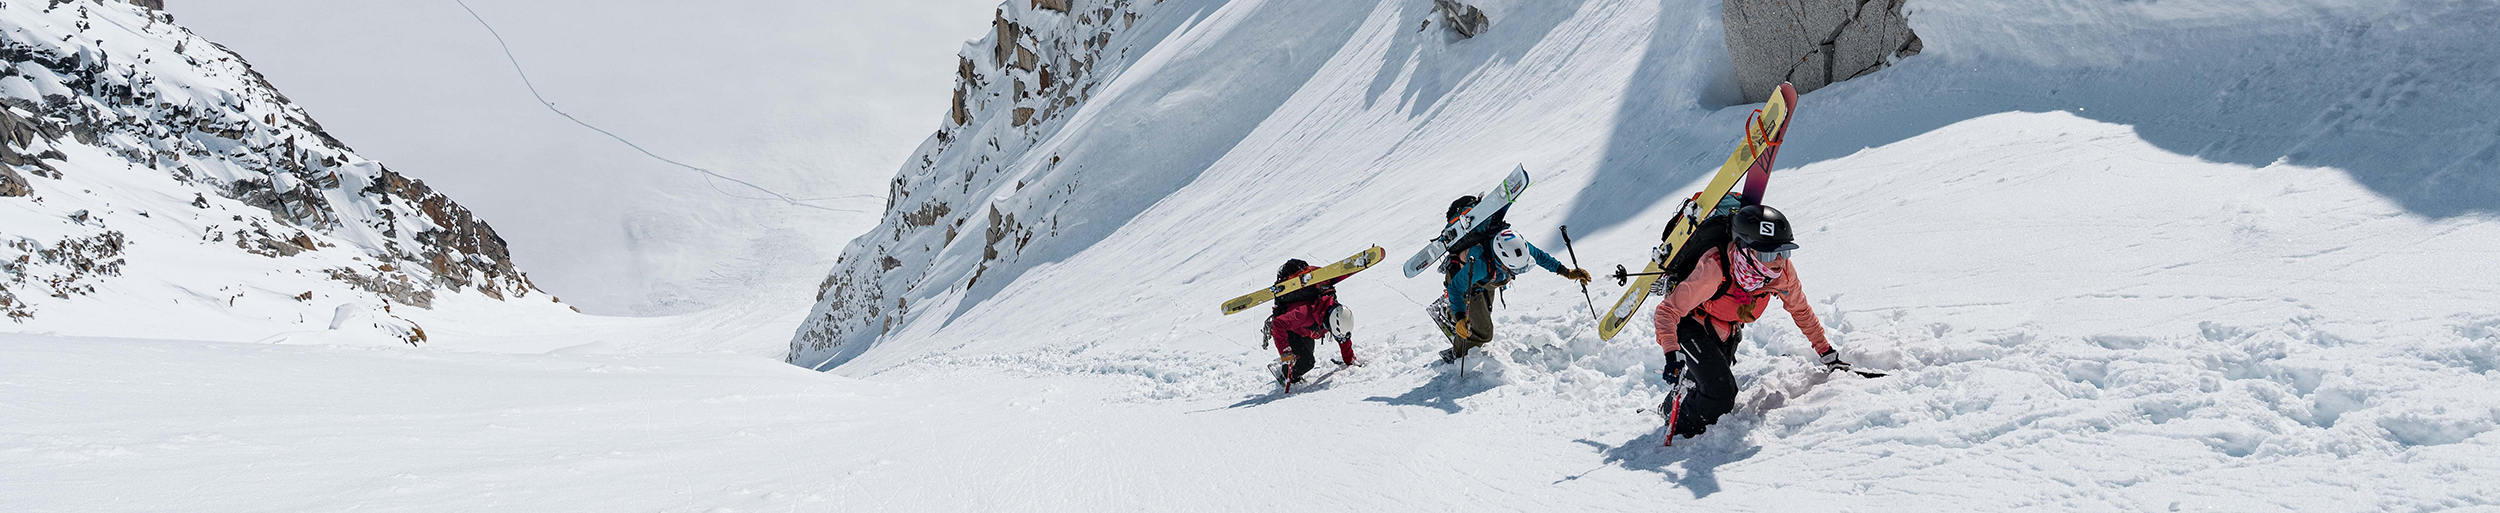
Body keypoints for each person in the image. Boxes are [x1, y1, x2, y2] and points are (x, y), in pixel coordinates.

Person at [1651, 204, 1851, 438]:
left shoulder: (1782, 273)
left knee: (1707, 379)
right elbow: (1667, 311)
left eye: (1784, 251)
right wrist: (1671, 351)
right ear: (1745, 250)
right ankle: (1678, 428)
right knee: (1721, 394)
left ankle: (1669, 405)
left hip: (1725, 328)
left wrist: (1826, 351)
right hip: (1690, 323)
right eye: (1768, 253)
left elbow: (1801, 310)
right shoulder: (1714, 267)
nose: (1778, 260)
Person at [1433, 195, 1593, 363]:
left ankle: (1456, 311)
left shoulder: (1514, 243)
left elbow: (1539, 256)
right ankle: (1457, 354)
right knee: (1483, 333)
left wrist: (1566, 272)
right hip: (1464, 282)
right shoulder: (1481, 264)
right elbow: (1455, 289)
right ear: (1502, 262)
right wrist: (1460, 318)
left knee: (1483, 312)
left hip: (1487, 280)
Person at [1268, 259, 1356, 383]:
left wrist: (1350, 361)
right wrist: (1285, 352)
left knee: (1306, 357)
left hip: (1307, 329)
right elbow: (1278, 324)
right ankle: (1283, 373)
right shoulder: (1305, 313)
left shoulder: (1338, 315)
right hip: (1291, 330)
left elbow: (1343, 339)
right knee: (1306, 363)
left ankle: (1291, 369)